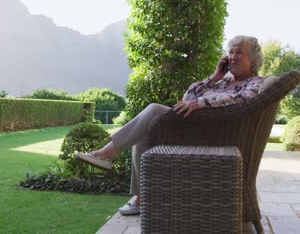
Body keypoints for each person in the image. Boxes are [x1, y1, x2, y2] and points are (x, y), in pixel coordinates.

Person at [76, 35, 265, 215]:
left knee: (153, 110)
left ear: (254, 60)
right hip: (193, 127)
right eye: (230, 52)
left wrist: (202, 103)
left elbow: (243, 100)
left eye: (239, 52)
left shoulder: (254, 82)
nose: (232, 56)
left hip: (210, 135)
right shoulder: (222, 81)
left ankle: (108, 153)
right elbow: (187, 98)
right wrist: (215, 77)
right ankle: (141, 199)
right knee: (144, 133)